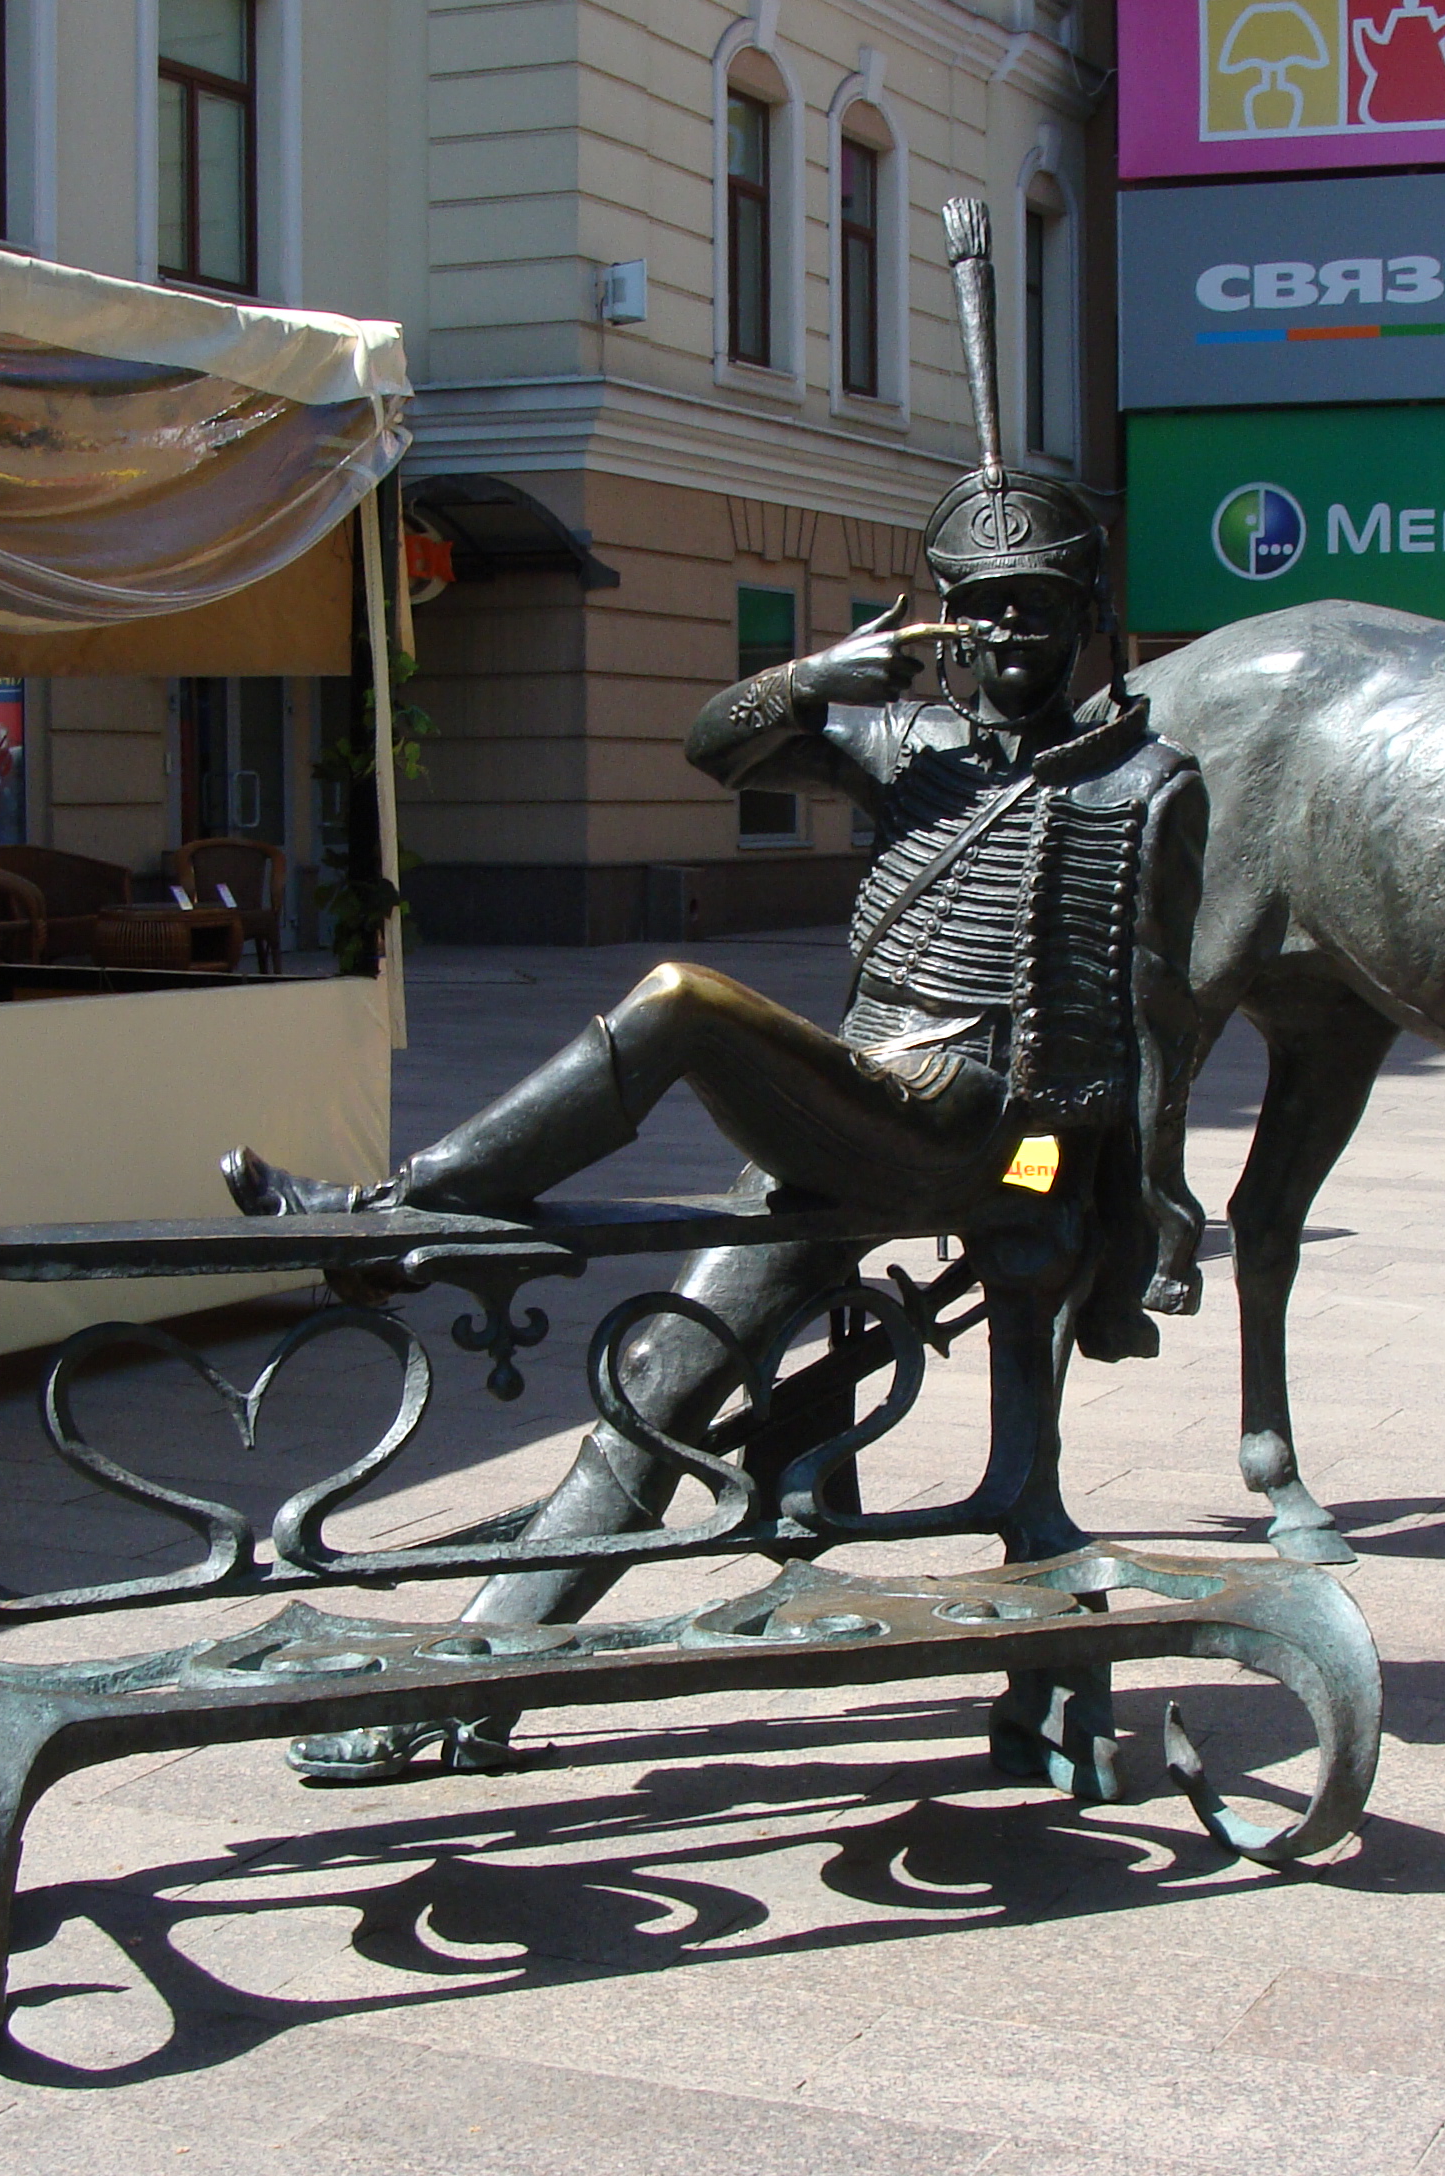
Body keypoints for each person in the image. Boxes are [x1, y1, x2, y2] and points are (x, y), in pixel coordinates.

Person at [224, 201, 1210, 1778]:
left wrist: (1150, 1213)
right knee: (661, 1390)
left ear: (1087, 617)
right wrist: (820, 678)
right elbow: (715, 743)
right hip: (856, 1119)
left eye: (1042, 609)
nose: (1016, 637)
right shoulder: (909, 746)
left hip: (996, 1134)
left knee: (683, 999)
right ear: (948, 615)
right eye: (987, 607)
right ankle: (467, 1693)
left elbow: (1159, 1009)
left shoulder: (1149, 782)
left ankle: (408, 1214)